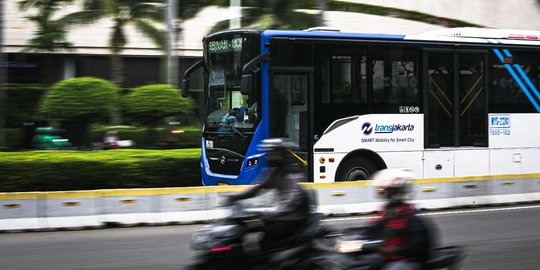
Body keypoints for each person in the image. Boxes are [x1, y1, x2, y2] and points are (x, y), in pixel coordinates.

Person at [225, 138, 310, 250]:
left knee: (265, 240)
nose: (269, 156)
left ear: (281, 154)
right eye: (269, 153)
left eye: (273, 153)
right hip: (281, 215)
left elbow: (289, 203)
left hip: (293, 219)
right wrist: (235, 197)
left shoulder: (292, 175)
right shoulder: (275, 172)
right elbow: (258, 188)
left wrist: (267, 216)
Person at [361, 169, 432, 270]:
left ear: (397, 192)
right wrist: (357, 236)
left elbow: (417, 245)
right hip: (388, 257)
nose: (386, 194)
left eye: (389, 191)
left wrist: (395, 250)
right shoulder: (388, 211)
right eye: (385, 191)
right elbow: (374, 229)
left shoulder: (411, 215)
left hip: (409, 259)